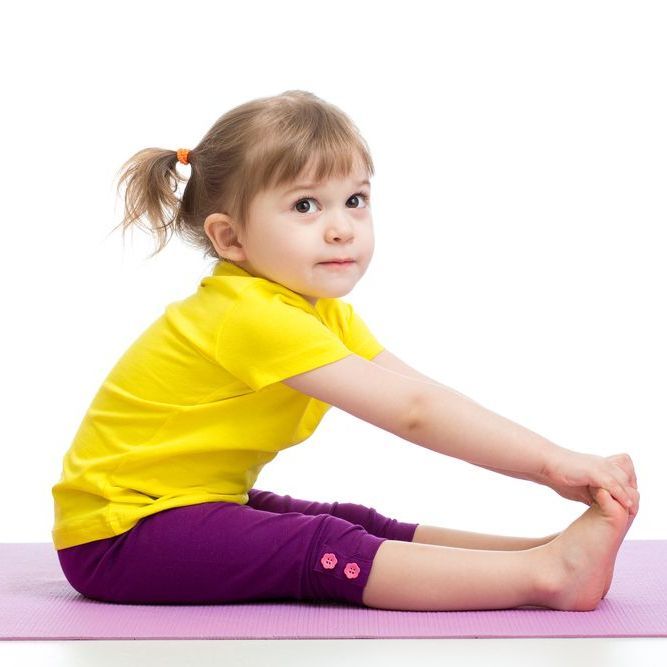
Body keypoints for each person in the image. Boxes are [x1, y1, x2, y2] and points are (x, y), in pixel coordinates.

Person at [52, 89, 639, 612]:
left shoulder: (318, 310)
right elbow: (413, 412)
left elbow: (422, 394)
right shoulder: (247, 315)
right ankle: (548, 574)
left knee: (342, 522)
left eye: (354, 200)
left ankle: (538, 551)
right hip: (120, 536)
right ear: (229, 237)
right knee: (322, 548)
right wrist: (550, 464)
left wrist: (550, 457)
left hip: (184, 506)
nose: (341, 228)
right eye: (306, 206)